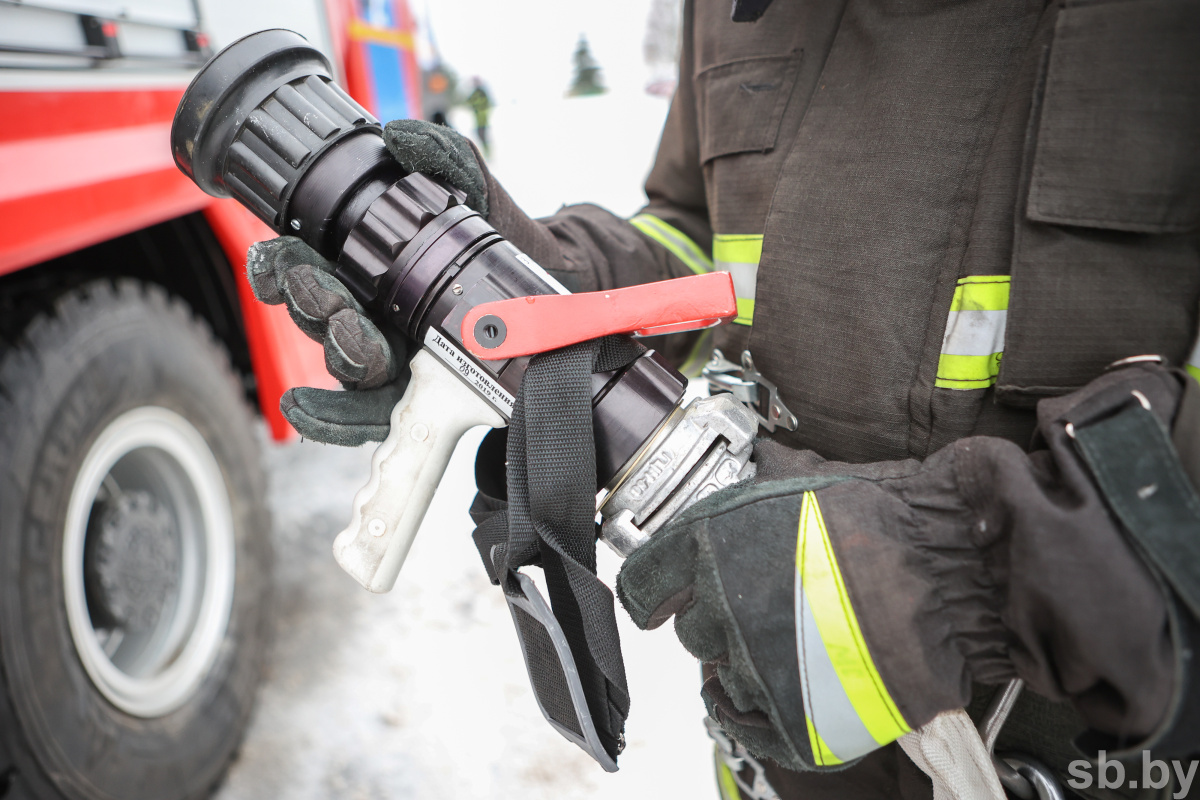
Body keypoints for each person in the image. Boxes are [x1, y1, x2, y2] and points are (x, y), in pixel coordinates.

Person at [246, 0, 1200, 797]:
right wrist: (517, 278)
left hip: (1078, 745)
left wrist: (962, 564)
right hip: (773, 751)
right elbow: (700, 232)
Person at [465, 78, 492, 154]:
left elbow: (483, 102)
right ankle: (486, 152)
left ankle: (487, 152)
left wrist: (475, 104)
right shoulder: (475, 92)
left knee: (483, 136)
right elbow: (469, 101)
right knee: (480, 136)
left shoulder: (481, 92)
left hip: (482, 119)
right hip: (478, 120)